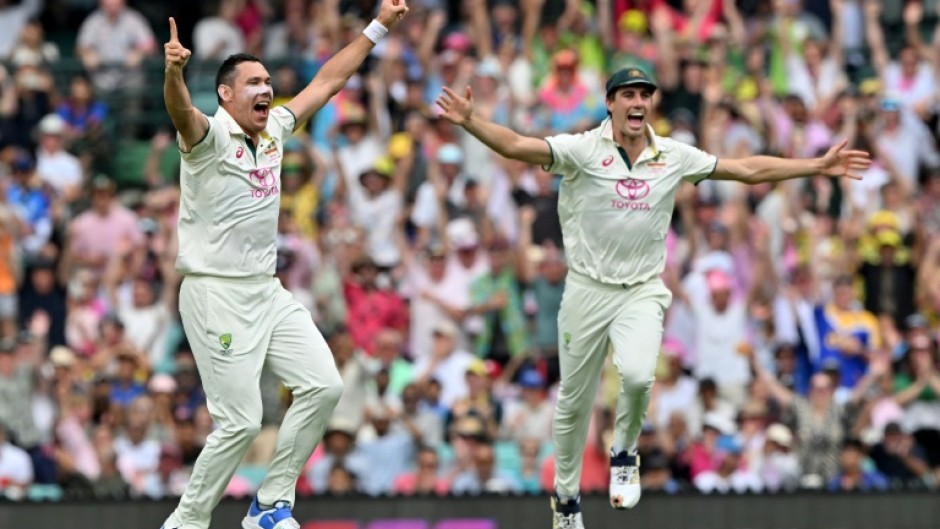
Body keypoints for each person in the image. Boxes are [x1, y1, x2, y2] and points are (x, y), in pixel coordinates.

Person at [434, 66, 870, 528]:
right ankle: (565, 501)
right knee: (574, 404)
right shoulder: (583, 149)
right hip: (586, 289)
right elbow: (519, 146)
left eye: (644, 94)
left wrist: (816, 165)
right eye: (628, 94)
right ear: (610, 103)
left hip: (641, 289)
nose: (637, 102)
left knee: (640, 377)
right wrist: (470, 122)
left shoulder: (674, 155)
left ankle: (624, 453)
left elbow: (744, 170)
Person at [159, 1, 410, 528]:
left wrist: (378, 26)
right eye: (253, 82)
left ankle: (270, 504)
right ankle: (186, 522)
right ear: (225, 94)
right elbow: (181, 112)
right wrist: (174, 74)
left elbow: (328, 81)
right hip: (214, 291)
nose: (265, 89)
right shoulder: (207, 137)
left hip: (265, 290)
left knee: (326, 386)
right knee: (242, 423)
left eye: (268, 80)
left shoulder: (274, 129)